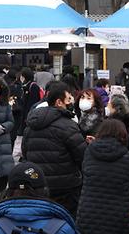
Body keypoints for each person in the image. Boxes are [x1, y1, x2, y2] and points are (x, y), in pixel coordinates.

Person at [22, 82, 87, 216]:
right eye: (68, 99)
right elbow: (82, 156)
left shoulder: (32, 124)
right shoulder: (69, 125)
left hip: (38, 183)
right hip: (66, 187)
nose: (71, 102)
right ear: (59, 102)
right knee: (66, 222)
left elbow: (25, 152)